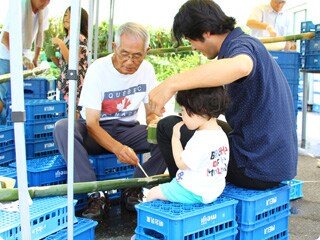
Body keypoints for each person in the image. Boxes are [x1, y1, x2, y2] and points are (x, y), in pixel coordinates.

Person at [149, 0, 298, 191]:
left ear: (206, 32)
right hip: (274, 163)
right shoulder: (248, 43)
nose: (193, 48)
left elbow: (241, 65)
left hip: (255, 168)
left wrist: (172, 83)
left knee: (168, 126)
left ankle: (183, 190)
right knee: (202, 125)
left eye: (190, 41)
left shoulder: (240, 47)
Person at [53, 22, 167, 219]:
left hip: (128, 130)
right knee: (63, 127)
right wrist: (117, 148)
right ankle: (94, 193)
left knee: (169, 131)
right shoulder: (98, 69)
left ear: (146, 52)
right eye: (124, 54)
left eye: (137, 56)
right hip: (96, 132)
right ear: (114, 48)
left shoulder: (147, 70)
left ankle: (135, 187)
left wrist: (155, 120)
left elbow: (149, 114)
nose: (130, 61)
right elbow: (91, 124)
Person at [146, 87, 230, 204]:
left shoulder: (201, 139)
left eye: (183, 111)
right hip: (214, 190)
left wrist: (175, 138)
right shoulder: (221, 133)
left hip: (193, 192)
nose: (181, 115)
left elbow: (181, 164)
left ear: (197, 112)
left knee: (152, 193)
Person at [0, 0, 50, 125]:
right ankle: (3, 129)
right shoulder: (19, 7)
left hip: (24, 55)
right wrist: (21, 58)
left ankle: (15, 129)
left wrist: (35, 57)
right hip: (6, 56)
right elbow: (5, 38)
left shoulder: (44, 10)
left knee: (20, 97)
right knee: (4, 97)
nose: (46, 2)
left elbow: (40, 35)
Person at [50, 6, 88, 118]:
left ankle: (72, 135)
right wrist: (52, 55)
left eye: (71, 16)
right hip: (65, 81)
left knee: (73, 112)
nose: (66, 18)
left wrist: (61, 44)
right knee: (66, 113)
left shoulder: (79, 38)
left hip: (74, 81)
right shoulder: (66, 38)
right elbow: (63, 64)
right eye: (66, 15)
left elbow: (72, 61)